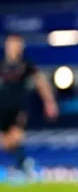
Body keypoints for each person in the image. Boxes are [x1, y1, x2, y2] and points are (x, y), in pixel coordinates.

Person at [1, 34, 59, 176]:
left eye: (17, 45)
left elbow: (41, 83)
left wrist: (49, 102)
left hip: (19, 109)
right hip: (2, 108)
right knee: (7, 143)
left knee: (16, 137)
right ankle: (23, 164)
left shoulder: (26, 65)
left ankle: (23, 168)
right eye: (12, 45)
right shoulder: (1, 65)